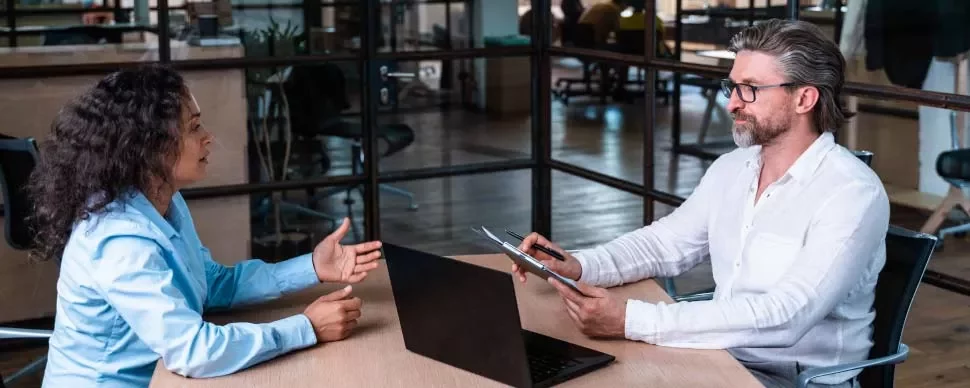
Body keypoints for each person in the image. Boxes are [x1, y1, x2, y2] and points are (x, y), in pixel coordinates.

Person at [513, 19, 888, 388]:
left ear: (805, 98)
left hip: (795, 379)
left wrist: (631, 320)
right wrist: (578, 266)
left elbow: (787, 317)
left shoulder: (851, 193)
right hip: (715, 354)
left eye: (751, 89)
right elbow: (666, 244)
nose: (733, 104)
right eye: (733, 87)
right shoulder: (733, 167)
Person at [27, 64, 384, 387]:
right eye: (194, 127)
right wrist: (306, 328)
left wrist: (310, 267)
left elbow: (210, 284)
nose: (208, 137)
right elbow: (193, 353)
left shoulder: (164, 202)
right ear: (148, 147)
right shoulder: (117, 239)